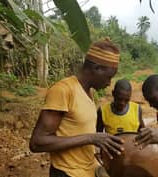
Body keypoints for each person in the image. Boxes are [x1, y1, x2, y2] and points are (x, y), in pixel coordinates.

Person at [29, 38, 125, 177]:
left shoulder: (89, 92)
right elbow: (37, 143)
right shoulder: (63, 90)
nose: (109, 83)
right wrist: (91, 138)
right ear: (97, 68)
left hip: (89, 170)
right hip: (67, 173)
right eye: (108, 77)